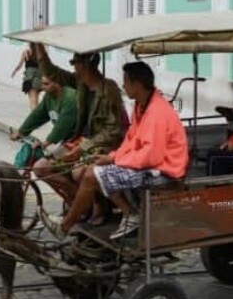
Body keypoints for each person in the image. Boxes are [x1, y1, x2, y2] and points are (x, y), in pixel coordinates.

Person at [45, 61, 189, 239]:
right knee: (94, 170)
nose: (123, 86)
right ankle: (130, 214)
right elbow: (131, 140)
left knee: (91, 175)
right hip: (149, 165)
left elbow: (150, 156)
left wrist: (115, 160)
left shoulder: (156, 112)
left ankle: (64, 227)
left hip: (163, 172)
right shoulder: (141, 106)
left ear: (137, 85)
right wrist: (112, 157)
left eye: (126, 82)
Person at [31, 44, 126, 206]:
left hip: (100, 145)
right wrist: (39, 48)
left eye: (75, 62)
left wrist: (83, 148)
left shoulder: (109, 89)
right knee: (40, 168)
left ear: (85, 64)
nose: (73, 66)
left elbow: (112, 131)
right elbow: (52, 73)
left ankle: (96, 207)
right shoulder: (80, 83)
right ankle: (81, 204)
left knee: (77, 172)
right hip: (79, 141)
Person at [9, 76, 78, 165]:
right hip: (67, 138)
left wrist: (45, 144)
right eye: (42, 84)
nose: (42, 87)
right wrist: (21, 132)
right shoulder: (49, 96)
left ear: (57, 83)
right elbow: (38, 115)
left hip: (79, 138)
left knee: (44, 166)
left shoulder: (70, 97)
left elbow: (63, 125)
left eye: (46, 84)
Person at [11, 43, 42, 110]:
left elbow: (19, 65)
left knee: (32, 101)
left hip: (29, 78)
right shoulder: (40, 53)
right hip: (39, 78)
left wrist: (14, 71)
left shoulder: (26, 52)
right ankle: (37, 114)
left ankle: (34, 115)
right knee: (36, 100)